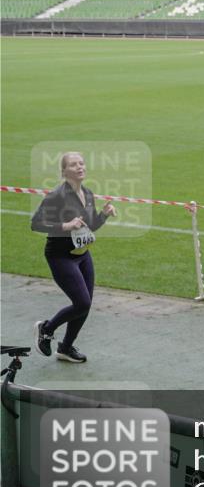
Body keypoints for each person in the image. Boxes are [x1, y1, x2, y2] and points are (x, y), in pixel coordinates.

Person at [30, 152, 116, 363]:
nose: (80, 167)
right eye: (73, 164)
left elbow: (91, 225)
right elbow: (36, 223)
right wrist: (65, 226)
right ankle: (46, 329)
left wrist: (104, 215)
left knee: (85, 304)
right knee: (82, 303)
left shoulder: (87, 193)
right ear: (64, 171)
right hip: (60, 256)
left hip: (83, 255)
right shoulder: (56, 196)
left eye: (82, 163)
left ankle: (65, 348)